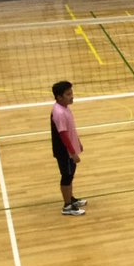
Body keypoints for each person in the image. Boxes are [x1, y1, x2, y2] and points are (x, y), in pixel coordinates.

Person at [50, 80, 87, 217]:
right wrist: (73, 153)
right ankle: (67, 206)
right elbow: (63, 135)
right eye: (68, 94)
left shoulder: (64, 107)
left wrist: (78, 142)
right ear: (59, 97)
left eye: (71, 93)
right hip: (65, 152)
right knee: (66, 176)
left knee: (70, 175)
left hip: (69, 150)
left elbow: (70, 129)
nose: (72, 96)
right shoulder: (59, 112)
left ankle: (70, 199)